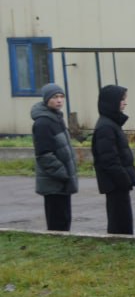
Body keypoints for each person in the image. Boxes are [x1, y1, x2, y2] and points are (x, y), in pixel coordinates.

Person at [32, 83, 78, 231]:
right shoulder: (43, 123)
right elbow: (44, 155)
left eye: (61, 97)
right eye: (55, 97)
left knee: (65, 220)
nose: (59, 100)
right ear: (46, 100)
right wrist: (63, 174)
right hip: (54, 183)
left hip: (62, 182)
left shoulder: (56, 118)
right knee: (57, 224)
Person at [91, 84, 135, 235]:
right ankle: (120, 244)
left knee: (122, 218)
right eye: (121, 99)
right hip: (115, 184)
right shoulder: (106, 127)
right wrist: (124, 178)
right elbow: (109, 159)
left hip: (118, 183)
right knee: (119, 221)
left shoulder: (111, 124)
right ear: (111, 102)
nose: (124, 103)